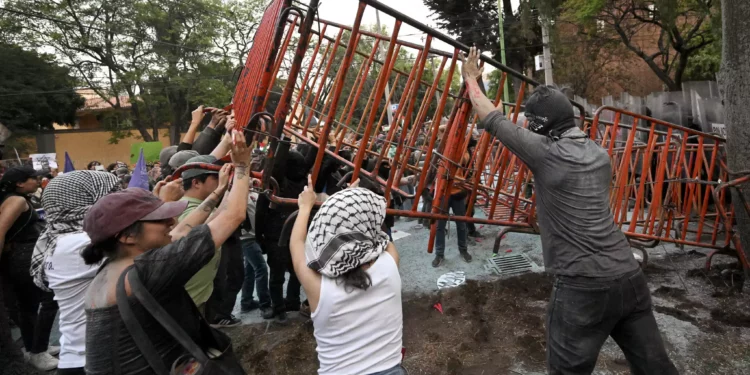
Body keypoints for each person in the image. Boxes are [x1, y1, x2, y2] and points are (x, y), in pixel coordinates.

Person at [460, 47, 677, 374]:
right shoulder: (598, 155)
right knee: (655, 368)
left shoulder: (546, 153)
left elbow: (490, 117)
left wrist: (470, 79)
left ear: (540, 127)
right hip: (629, 278)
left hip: (582, 286)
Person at [82, 131, 251, 374]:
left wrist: (219, 191)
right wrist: (243, 166)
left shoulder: (118, 266)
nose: (171, 222)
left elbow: (183, 230)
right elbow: (233, 216)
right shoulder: (149, 269)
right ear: (127, 236)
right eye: (159, 219)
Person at [290, 178, 405, 375]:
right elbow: (379, 233)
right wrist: (355, 202)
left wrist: (305, 207)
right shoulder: (390, 263)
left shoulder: (318, 287)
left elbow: (297, 243)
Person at [33, 171, 121, 375]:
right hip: (94, 362)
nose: (120, 200)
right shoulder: (82, 243)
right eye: (113, 195)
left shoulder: (57, 237)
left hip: (80, 357)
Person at [0, 166, 59, 370]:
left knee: (32, 304)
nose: (38, 181)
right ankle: (36, 351)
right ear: (20, 183)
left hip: (23, 255)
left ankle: (37, 345)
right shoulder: (16, 201)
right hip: (21, 258)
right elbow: (1, 229)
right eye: (34, 178)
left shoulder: (17, 198)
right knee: (37, 304)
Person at [176, 155, 240, 327]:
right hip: (189, 302)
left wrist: (227, 189)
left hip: (197, 297)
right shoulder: (187, 210)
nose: (221, 180)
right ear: (196, 182)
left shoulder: (195, 206)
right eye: (216, 177)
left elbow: (220, 213)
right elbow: (230, 217)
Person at [255, 147, 307, 322]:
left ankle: (291, 301)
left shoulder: (303, 182)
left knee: (295, 271)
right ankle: (278, 307)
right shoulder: (275, 183)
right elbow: (261, 212)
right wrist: (259, 235)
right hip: (277, 236)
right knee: (279, 274)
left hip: (290, 234)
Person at [431, 125, 472, 267]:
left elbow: (465, 160)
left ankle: (463, 250)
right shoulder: (441, 147)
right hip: (443, 192)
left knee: (461, 224)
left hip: (457, 191)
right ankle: (439, 254)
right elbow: (439, 129)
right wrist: (446, 132)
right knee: (439, 225)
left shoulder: (461, 147)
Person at [239, 188, 273, 319]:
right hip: (246, 237)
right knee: (261, 268)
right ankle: (265, 305)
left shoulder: (254, 193)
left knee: (250, 270)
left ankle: (246, 302)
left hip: (255, 236)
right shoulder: (236, 193)